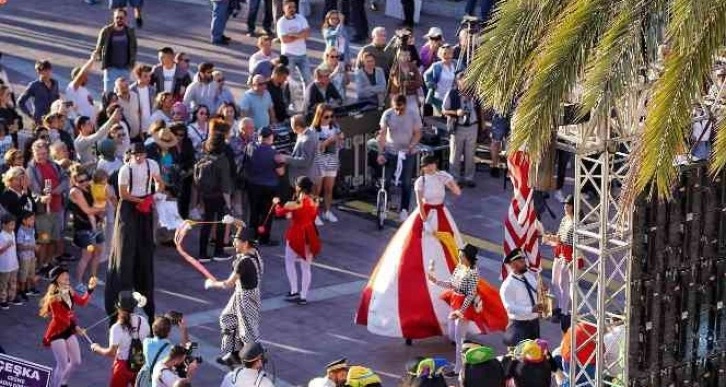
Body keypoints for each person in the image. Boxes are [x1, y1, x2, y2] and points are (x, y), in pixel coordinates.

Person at [105, 142, 164, 320]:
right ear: (130, 155)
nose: (138, 158)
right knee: (126, 248)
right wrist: (140, 202)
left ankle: (144, 294)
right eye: (135, 155)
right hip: (129, 207)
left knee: (145, 247)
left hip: (144, 204)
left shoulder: (152, 165)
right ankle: (122, 294)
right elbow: (123, 194)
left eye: (141, 155)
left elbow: (160, 184)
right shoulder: (125, 169)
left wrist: (152, 197)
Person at [205, 225, 264, 366]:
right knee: (227, 318)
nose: (233, 243)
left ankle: (254, 360)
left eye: (237, 241)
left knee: (248, 332)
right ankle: (234, 353)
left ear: (245, 243)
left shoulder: (244, 262)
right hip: (242, 293)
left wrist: (212, 283)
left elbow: (228, 284)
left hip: (246, 297)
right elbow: (243, 225)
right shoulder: (255, 251)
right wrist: (232, 221)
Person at [427, 244, 490, 376]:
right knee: (454, 335)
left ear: (468, 257)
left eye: (462, 256)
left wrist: (461, 311)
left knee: (459, 338)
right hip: (455, 303)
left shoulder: (473, 273)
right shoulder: (459, 267)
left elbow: (471, 294)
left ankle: (459, 369)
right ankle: (467, 353)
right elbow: (451, 283)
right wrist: (436, 281)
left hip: (463, 308)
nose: (459, 258)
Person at [40, 267, 96, 387]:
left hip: (68, 329)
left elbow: (82, 302)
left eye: (67, 273)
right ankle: (56, 385)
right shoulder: (54, 297)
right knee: (62, 365)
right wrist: (76, 328)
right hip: (57, 332)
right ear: (57, 279)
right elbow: (61, 317)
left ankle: (63, 382)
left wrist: (90, 289)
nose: (67, 276)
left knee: (76, 361)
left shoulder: (69, 290)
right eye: (64, 274)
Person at [274, 176, 320, 305]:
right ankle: (303, 296)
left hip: (297, 234)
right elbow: (313, 216)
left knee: (289, 261)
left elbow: (279, 212)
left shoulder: (294, 204)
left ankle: (294, 290)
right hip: (310, 234)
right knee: (306, 267)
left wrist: (276, 203)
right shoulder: (315, 201)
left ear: (299, 187)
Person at [26, 139, 70, 275]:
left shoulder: (54, 165)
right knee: (43, 240)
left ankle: (49, 263)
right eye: (38, 154)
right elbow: (32, 191)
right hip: (42, 212)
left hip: (57, 208)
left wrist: (56, 190)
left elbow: (65, 179)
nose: (41, 156)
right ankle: (41, 266)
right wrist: (42, 198)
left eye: (44, 153)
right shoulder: (31, 169)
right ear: (33, 153)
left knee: (53, 239)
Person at [375, 95, 422, 220]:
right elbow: (382, 134)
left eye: (400, 109)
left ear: (405, 105)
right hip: (391, 151)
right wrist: (380, 153)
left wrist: (412, 146)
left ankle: (404, 209)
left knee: (406, 182)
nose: (398, 111)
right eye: (395, 108)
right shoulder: (388, 114)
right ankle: (386, 204)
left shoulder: (413, 114)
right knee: (386, 180)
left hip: (407, 152)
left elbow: (418, 133)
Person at [91, 291, 151, 387]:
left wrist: (97, 348)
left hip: (122, 367)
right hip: (139, 363)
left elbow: (112, 352)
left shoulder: (117, 327)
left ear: (119, 309)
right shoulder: (143, 321)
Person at [195, 128, 233, 262]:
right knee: (221, 223)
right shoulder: (222, 160)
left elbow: (197, 182)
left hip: (206, 196)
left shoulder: (202, 159)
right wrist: (228, 203)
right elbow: (225, 185)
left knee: (206, 224)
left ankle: (202, 254)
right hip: (219, 197)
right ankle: (218, 252)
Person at [68, 166, 106, 290]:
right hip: (83, 228)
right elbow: (87, 210)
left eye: (86, 179)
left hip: (95, 225)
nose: (84, 182)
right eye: (80, 181)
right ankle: (78, 283)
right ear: (74, 181)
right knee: (86, 256)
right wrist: (101, 209)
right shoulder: (75, 192)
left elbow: (97, 203)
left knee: (98, 251)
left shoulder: (90, 187)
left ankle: (93, 277)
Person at [245, 127, 283, 245]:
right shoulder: (273, 153)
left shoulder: (250, 147)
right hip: (269, 186)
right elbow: (281, 172)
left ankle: (252, 237)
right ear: (270, 137)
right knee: (267, 213)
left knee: (254, 212)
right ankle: (264, 238)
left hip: (253, 184)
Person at [542, 194, 574, 330]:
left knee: (564, 283)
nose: (566, 207)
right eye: (565, 205)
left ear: (573, 207)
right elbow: (559, 238)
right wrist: (550, 238)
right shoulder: (564, 220)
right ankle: (561, 307)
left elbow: (577, 243)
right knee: (555, 282)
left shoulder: (576, 223)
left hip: (568, 255)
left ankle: (564, 311)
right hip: (559, 253)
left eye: (568, 205)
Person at [442, 71, 478, 187]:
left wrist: (482, 125)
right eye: (463, 80)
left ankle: (469, 178)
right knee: (455, 154)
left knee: (470, 154)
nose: (466, 83)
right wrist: (456, 112)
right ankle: (454, 179)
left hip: (472, 126)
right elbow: (444, 110)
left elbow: (480, 109)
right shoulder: (452, 93)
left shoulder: (474, 93)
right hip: (458, 126)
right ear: (458, 81)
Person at [500, 248, 542, 347]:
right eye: (521, 262)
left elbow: (535, 289)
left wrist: (542, 290)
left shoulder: (528, 275)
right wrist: (531, 309)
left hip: (534, 323)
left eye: (524, 261)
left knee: (535, 353)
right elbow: (510, 308)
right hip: (520, 325)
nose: (525, 263)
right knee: (521, 356)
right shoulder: (507, 285)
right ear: (513, 265)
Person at [310, 104, 342, 224]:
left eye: (331, 116)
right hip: (319, 161)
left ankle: (327, 211)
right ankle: (314, 213)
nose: (329, 119)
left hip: (332, 159)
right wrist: (328, 141)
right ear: (319, 116)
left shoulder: (335, 127)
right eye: (326, 116)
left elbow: (340, 144)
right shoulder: (313, 130)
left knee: (329, 188)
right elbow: (314, 148)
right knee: (317, 189)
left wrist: (339, 140)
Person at [94, 8, 138, 93]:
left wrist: (132, 64)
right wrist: (96, 54)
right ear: (113, 18)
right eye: (117, 17)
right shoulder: (106, 31)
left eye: (121, 18)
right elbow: (99, 47)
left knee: (123, 93)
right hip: (111, 68)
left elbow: (134, 48)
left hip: (125, 68)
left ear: (125, 18)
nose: (119, 20)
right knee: (109, 94)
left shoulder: (130, 31)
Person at [140, 315, 190, 381]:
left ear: (153, 329)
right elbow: (185, 349)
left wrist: (161, 321)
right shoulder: (171, 349)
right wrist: (184, 330)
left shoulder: (146, 342)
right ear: (169, 333)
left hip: (146, 378)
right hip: (160, 379)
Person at [276, 0, 312, 85]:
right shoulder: (281, 22)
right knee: (289, 82)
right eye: (289, 7)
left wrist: (293, 35)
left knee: (308, 80)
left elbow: (307, 34)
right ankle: (290, 98)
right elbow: (284, 40)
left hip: (302, 54)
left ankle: (307, 98)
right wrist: (300, 35)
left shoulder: (301, 18)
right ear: (284, 8)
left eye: (294, 7)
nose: (292, 9)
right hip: (288, 56)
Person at [17, 60, 60, 125]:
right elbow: (20, 102)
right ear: (39, 72)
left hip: (53, 120)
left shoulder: (55, 83)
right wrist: (30, 115)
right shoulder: (34, 85)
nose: (48, 72)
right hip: (39, 121)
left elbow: (57, 99)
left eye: (49, 69)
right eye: (45, 70)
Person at [281, 115, 319, 187]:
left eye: (292, 126)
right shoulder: (302, 134)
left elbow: (305, 161)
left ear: (298, 127)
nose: (292, 129)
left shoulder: (308, 139)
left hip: (304, 180)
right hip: (301, 179)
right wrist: (289, 154)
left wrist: (286, 158)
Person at [424, 45, 456, 114]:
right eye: (444, 54)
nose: (447, 56)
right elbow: (426, 75)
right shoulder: (436, 66)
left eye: (449, 54)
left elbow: (463, 74)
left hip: (453, 98)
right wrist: (432, 85)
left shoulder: (456, 64)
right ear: (440, 55)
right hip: (439, 98)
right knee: (439, 121)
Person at [389, 48, 423, 113]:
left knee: (414, 113)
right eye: (402, 55)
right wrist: (405, 84)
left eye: (406, 55)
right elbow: (396, 83)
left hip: (412, 95)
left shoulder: (413, 66)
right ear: (398, 56)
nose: (404, 57)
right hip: (398, 95)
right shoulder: (395, 67)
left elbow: (420, 82)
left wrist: (409, 83)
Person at [66, 55, 97, 122]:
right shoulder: (72, 87)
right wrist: (92, 60)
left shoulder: (84, 90)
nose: (87, 78)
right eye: (84, 76)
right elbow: (82, 73)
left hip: (89, 125)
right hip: (79, 125)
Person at [15, 211, 38, 301]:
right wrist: (31, 247)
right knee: (23, 274)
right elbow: (19, 246)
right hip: (24, 257)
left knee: (31, 272)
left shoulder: (32, 229)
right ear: (24, 221)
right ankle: (22, 290)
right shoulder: (21, 231)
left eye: (33, 219)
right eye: (31, 219)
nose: (33, 221)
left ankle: (29, 288)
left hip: (31, 255)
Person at [0, 213, 19, 309]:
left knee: (13, 281)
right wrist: (6, 246)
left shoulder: (12, 233)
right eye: (11, 224)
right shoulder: (1, 236)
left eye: (14, 224)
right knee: (3, 283)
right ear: (4, 225)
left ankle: (12, 297)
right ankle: (3, 299)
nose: (13, 226)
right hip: (5, 265)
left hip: (13, 263)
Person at [131, 65, 155, 138]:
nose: (148, 78)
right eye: (145, 76)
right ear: (138, 77)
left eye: (149, 76)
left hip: (151, 126)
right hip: (138, 127)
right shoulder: (132, 90)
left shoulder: (152, 89)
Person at [114, 77, 142, 141]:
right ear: (117, 89)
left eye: (126, 86)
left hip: (137, 134)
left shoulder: (135, 96)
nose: (124, 89)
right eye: (121, 87)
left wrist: (141, 130)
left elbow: (139, 113)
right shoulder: (116, 101)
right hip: (124, 137)